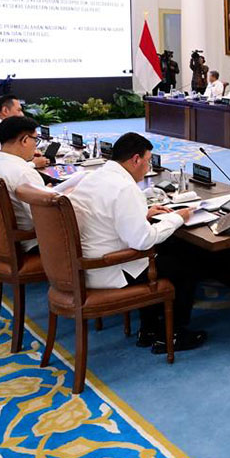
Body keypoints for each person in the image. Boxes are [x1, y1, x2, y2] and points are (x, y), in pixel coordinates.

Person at [59, 132, 206, 352]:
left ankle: (149, 328)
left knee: (168, 251)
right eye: (147, 162)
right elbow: (142, 241)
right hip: (108, 268)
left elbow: (105, 215)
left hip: (86, 261)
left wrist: (143, 214)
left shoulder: (95, 176)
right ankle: (171, 335)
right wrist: (179, 217)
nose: (148, 168)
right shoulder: (125, 187)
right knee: (186, 263)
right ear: (135, 159)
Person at [0, 116, 50, 249]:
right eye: (36, 140)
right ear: (25, 140)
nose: (36, 145)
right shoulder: (24, 173)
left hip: (5, 240)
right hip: (33, 242)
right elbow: (45, 219)